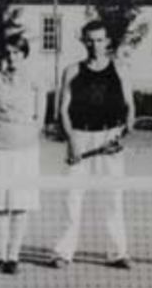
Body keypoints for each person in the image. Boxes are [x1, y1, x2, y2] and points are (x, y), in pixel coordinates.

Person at [52, 18, 133, 269]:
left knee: (113, 199)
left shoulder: (120, 68)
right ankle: (63, 253)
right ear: (83, 41)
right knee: (72, 199)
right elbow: (62, 111)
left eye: (99, 40)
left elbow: (130, 108)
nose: (95, 45)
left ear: (107, 41)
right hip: (80, 137)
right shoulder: (72, 71)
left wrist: (122, 133)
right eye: (90, 40)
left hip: (110, 140)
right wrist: (72, 142)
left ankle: (118, 253)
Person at [0, 31, 41, 275]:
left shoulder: (36, 81)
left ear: (24, 54)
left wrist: (26, 138)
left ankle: (14, 257)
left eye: (17, 52)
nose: (12, 57)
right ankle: (1, 256)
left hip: (25, 151)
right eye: (8, 53)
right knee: (0, 204)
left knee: (19, 203)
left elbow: (40, 119)